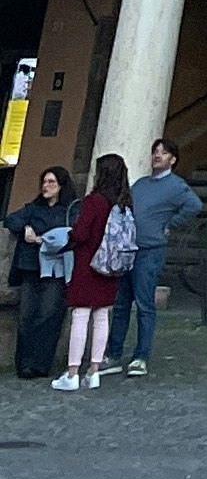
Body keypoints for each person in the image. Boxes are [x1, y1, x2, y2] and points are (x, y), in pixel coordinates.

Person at [121, 138, 202, 376]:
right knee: (121, 303)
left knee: (145, 304)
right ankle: (113, 352)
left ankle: (141, 356)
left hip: (150, 251)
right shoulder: (141, 184)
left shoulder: (176, 186)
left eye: (164, 153)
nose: (157, 156)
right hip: (129, 249)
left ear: (172, 160)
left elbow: (194, 205)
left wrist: (170, 224)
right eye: (155, 152)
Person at [57, 150, 136, 390]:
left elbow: (81, 233)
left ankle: (71, 373)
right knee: (102, 316)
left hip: (88, 264)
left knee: (81, 316)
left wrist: (68, 236)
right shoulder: (123, 203)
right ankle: (93, 371)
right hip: (111, 265)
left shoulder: (94, 201)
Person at [8, 168, 74, 383]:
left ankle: (40, 363)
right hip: (31, 268)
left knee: (48, 314)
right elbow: (11, 220)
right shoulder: (33, 209)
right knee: (26, 315)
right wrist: (26, 227)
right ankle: (25, 363)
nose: (45, 186)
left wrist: (47, 239)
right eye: (44, 181)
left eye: (51, 182)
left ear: (61, 186)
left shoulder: (68, 211)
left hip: (55, 271)